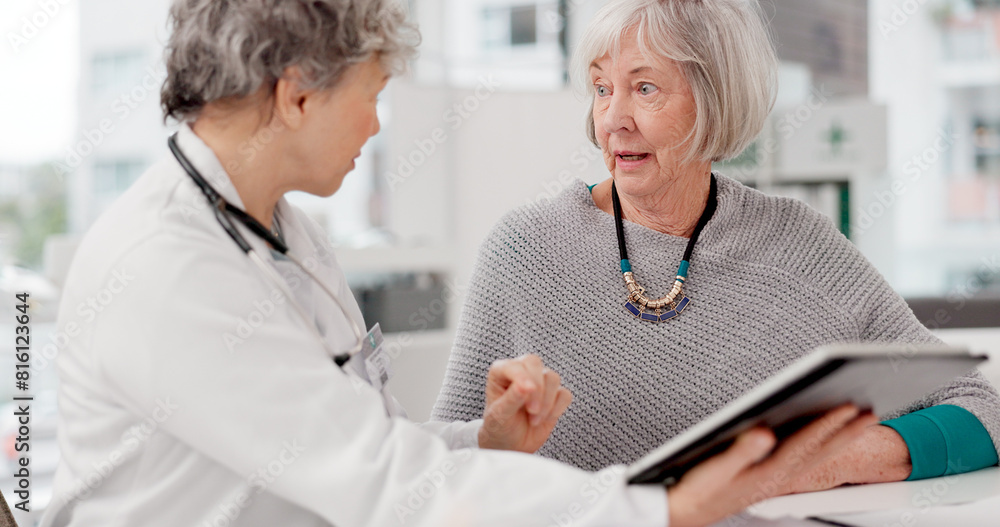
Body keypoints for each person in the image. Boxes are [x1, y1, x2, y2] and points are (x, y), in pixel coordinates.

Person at [40, 1, 876, 526]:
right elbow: (380, 483)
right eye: (370, 92)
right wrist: (656, 507)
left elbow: (361, 436)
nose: (376, 124)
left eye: (646, 88)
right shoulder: (171, 268)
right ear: (296, 96)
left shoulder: (282, 233)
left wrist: (484, 438)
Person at [432, 0, 1000, 492]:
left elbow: (980, 409)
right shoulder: (524, 249)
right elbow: (433, 463)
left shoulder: (798, 244)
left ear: (713, 100)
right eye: (603, 89)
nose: (613, 120)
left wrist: (832, 461)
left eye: (645, 88)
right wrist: (492, 442)